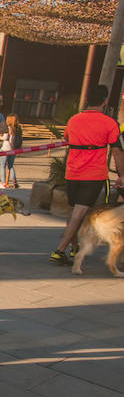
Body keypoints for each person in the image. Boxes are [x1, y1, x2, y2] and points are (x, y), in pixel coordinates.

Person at [50, 84, 124, 266]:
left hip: (73, 172)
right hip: (93, 174)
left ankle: (73, 248)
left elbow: (67, 139)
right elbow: (117, 152)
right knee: (79, 213)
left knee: (72, 210)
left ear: (87, 100)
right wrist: (122, 175)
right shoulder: (109, 123)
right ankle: (59, 250)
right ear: (105, 101)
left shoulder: (74, 120)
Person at [0, 113, 21, 188]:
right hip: (13, 149)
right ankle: (14, 181)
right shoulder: (18, 128)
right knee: (10, 166)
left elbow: (5, 137)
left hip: (5, 149)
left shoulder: (8, 128)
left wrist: (0, 137)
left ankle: (3, 182)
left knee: (3, 166)